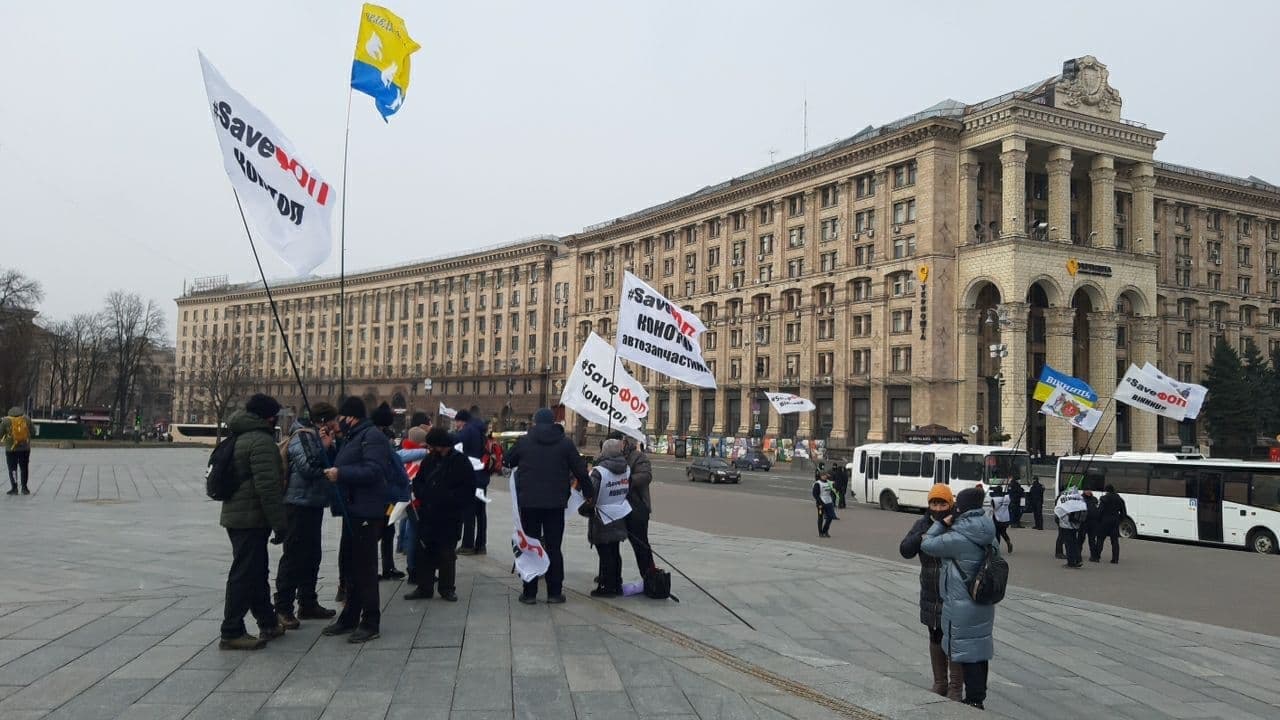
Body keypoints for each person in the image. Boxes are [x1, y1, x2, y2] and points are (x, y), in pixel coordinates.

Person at [219, 394, 289, 651]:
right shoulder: (260, 441)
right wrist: (280, 523)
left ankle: (268, 621)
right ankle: (231, 630)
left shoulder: (239, 434)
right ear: (268, 417)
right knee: (244, 573)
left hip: (238, 515)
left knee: (256, 570)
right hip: (250, 518)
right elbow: (268, 488)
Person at [322, 397, 392, 644]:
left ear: (351, 417)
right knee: (350, 566)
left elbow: (374, 470)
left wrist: (341, 474)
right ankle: (350, 616)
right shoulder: (353, 437)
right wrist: (329, 446)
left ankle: (370, 621)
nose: (338, 421)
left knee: (365, 568)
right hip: (353, 509)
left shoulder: (371, 437)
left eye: (341, 417)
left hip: (366, 511)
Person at [920, 486, 997, 710]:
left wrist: (942, 523)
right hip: (982, 599)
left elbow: (927, 544)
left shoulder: (958, 537)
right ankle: (978, 695)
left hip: (961, 601)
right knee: (980, 647)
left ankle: (973, 699)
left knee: (965, 649)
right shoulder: (988, 531)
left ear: (960, 508)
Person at [505, 407, 590, 604]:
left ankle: (529, 592)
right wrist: (589, 494)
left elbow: (508, 460)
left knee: (531, 546)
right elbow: (581, 471)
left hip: (529, 504)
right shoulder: (565, 444)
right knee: (554, 547)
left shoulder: (524, 441)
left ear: (535, 422)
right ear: (554, 422)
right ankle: (554, 592)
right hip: (555, 504)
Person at [274, 401, 339, 630]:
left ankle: (308, 602)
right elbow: (308, 468)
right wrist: (324, 449)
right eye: (333, 420)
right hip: (297, 504)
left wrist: (328, 446)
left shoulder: (314, 437)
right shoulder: (301, 437)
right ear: (322, 421)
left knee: (312, 555)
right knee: (294, 556)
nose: (336, 424)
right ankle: (282, 608)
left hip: (312, 503)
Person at [900, 483, 962, 700]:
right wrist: (923, 535)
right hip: (930, 591)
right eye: (934, 503)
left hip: (954, 590)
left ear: (950, 503)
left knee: (953, 638)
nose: (937, 508)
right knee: (935, 635)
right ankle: (940, 682)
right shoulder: (922, 523)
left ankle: (955, 687)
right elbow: (905, 550)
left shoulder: (958, 523)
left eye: (942, 503)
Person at [405, 427, 474, 602]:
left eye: (432, 446)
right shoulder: (429, 460)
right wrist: (423, 494)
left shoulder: (461, 462)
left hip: (449, 515)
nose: (430, 449)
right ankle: (424, 587)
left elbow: (467, 490)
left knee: (447, 553)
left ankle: (447, 588)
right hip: (428, 514)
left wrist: (447, 498)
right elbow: (418, 481)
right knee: (424, 551)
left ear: (441, 445)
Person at [584, 438, 631, 597]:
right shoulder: (626, 468)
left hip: (601, 517)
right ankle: (616, 583)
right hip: (618, 514)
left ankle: (607, 587)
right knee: (614, 552)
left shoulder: (599, 471)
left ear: (604, 452)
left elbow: (591, 496)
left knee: (605, 554)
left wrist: (584, 509)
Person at [371, 402, 408, 580]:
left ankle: (388, 567)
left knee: (388, 529)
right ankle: (378, 568)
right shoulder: (381, 440)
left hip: (387, 497)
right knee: (381, 530)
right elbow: (395, 464)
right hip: (385, 496)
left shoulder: (382, 436)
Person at [612, 431, 654, 580]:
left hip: (637, 507)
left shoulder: (638, 456)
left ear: (624, 442)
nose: (616, 446)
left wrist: (625, 480)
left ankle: (650, 577)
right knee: (611, 544)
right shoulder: (610, 457)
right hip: (617, 507)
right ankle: (610, 577)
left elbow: (646, 476)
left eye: (618, 442)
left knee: (641, 545)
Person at [452, 410, 489, 555]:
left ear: (462, 421)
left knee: (468, 511)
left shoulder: (469, 430)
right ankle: (481, 545)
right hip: (482, 477)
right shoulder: (480, 430)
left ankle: (467, 545)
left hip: (471, 476)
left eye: (457, 422)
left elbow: (455, 440)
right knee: (480, 513)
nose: (456, 425)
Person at [2, 406, 32, 495]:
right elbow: (33, 431)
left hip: (11, 449)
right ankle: (24, 488)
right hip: (25, 449)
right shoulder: (26, 418)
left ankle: (14, 488)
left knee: (12, 469)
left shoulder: (6, 420)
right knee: (24, 468)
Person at [1054, 488, 1087, 568]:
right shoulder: (1078, 498)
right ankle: (1078, 559)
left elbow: (1059, 510)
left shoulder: (1064, 499)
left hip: (1066, 524)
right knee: (1074, 542)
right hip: (1076, 523)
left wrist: (1058, 520)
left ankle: (1071, 562)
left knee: (1069, 544)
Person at [1098, 484, 1128, 564]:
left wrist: (1099, 520)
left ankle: (1096, 556)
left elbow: (1100, 511)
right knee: (1114, 541)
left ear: (1106, 491)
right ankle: (1115, 559)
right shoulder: (1120, 499)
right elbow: (1123, 513)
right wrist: (1119, 520)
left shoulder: (1104, 499)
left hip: (1104, 521)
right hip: (1115, 522)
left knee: (1100, 539)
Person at [989, 485, 1013, 554]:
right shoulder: (1007, 498)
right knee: (1003, 532)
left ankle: (997, 548)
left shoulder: (994, 499)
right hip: (1005, 518)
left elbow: (993, 508)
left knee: (997, 534)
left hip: (997, 518)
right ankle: (1008, 542)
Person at [812, 471, 836, 538]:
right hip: (821, 504)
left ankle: (825, 531)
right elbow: (815, 495)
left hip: (829, 502)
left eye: (825, 475)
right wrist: (820, 503)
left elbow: (834, 486)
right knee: (820, 518)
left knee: (830, 517)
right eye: (823, 475)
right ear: (821, 476)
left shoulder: (829, 482)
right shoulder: (817, 484)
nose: (825, 476)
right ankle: (820, 533)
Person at [1083, 489, 1104, 562]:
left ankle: (1094, 556)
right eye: (1087, 490)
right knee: (1080, 539)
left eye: (1090, 490)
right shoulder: (1081, 498)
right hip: (1084, 522)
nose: (1089, 492)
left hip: (1093, 522)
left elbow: (1097, 508)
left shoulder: (1094, 499)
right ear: (1084, 491)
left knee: (1092, 540)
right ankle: (1077, 554)